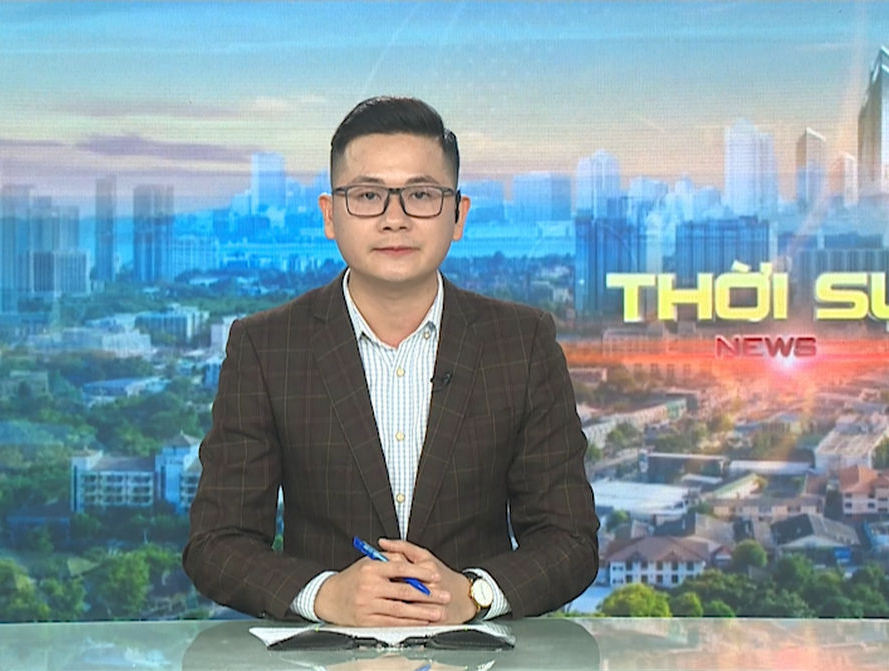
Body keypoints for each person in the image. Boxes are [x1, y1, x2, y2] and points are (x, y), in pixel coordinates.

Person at [184, 96, 598, 627]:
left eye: (421, 195)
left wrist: (473, 593)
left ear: (458, 215)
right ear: (330, 215)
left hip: (478, 667)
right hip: (325, 667)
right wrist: (324, 595)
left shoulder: (521, 343)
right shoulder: (266, 347)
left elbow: (570, 540)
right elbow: (217, 545)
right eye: (368, 196)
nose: (394, 220)